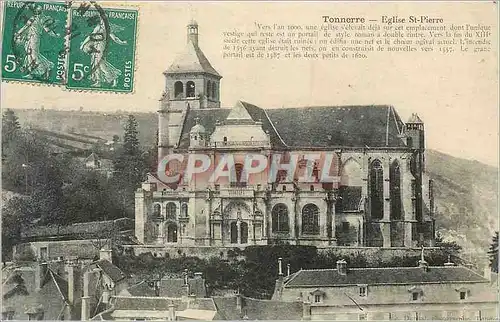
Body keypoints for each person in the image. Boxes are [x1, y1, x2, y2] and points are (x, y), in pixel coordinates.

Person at [14, 5, 61, 79]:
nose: (35, 12)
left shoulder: (42, 19)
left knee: (33, 54)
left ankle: (41, 70)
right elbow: (26, 26)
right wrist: (18, 33)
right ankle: (40, 69)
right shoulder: (33, 18)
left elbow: (47, 30)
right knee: (30, 54)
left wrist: (55, 35)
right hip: (29, 38)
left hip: (35, 38)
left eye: (36, 11)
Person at [80, 19, 127, 87]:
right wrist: (83, 44)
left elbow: (114, 38)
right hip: (95, 46)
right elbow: (90, 36)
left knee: (100, 63)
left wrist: (121, 42)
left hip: (101, 46)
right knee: (96, 63)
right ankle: (99, 81)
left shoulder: (108, 29)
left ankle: (113, 77)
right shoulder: (98, 27)